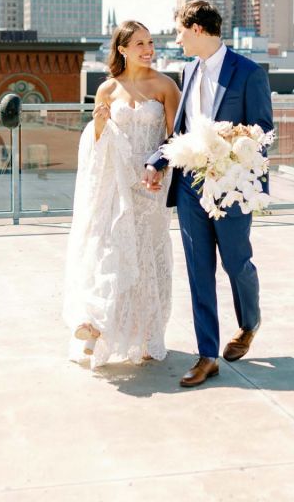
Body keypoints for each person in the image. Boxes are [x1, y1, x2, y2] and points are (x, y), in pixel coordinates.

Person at [144, 0, 274, 388]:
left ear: (197, 29)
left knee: (236, 264)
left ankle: (249, 323)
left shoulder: (249, 73)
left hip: (231, 185)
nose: (177, 38)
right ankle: (207, 355)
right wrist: (158, 160)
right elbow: (180, 131)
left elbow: (262, 131)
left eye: (180, 32)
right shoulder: (187, 70)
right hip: (189, 186)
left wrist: (232, 150)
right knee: (199, 271)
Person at [63, 21, 181, 368]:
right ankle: (96, 322)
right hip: (113, 185)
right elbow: (96, 142)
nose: (148, 49)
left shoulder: (165, 86)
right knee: (110, 248)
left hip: (150, 187)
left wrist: (157, 167)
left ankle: (144, 333)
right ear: (122, 50)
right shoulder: (107, 90)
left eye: (150, 42)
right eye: (140, 43)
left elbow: (175, 139)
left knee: (144, 257)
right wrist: (98, 125)